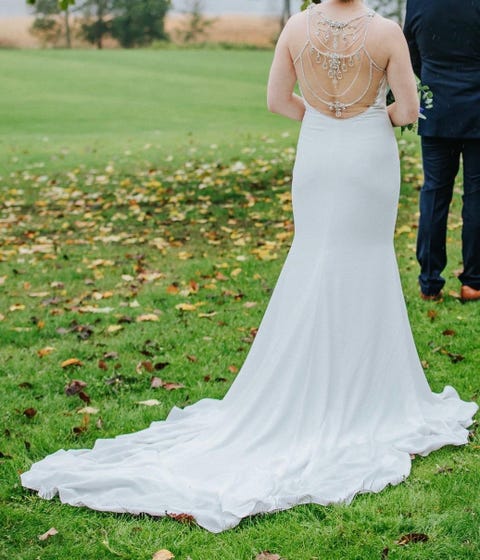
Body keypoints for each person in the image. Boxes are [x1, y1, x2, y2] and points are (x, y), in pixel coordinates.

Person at [20, 0, 478, 534]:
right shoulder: (385, 32)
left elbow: (277, 100)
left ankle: (308, 377)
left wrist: (322, 119)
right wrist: (369, 116)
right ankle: (369, 391)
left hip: (317, 153)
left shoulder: (296, 26)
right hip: (368, 157)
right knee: (365, 261)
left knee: (314, 256)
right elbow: (406, 111)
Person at [403, 0, 480, 302]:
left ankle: (430, 283)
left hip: (437, 107)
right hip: (477, 107)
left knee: (434, 194)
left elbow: (412, 51)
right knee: (476, 195)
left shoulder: (420, 2)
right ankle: (473, 282)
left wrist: (434, 80)